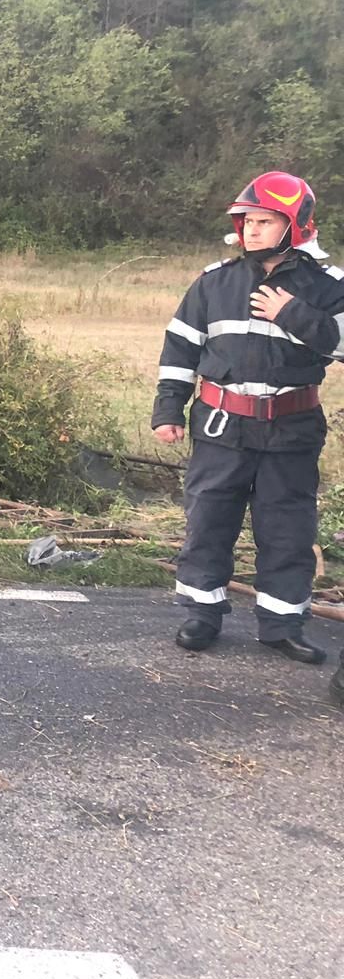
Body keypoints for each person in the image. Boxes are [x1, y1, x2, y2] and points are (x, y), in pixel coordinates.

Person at [152, 171, 344, 663]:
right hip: (222, 426)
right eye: (246, 221)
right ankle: (202, 614)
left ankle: (282, 624)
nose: (251, 231)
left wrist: (295, 315)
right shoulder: (215, 282)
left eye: (264, 221)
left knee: (287, 528)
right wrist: (169, 408)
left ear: (296, 224)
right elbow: (181, 348)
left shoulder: (329, 287)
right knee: (209, 521)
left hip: (292, 428)